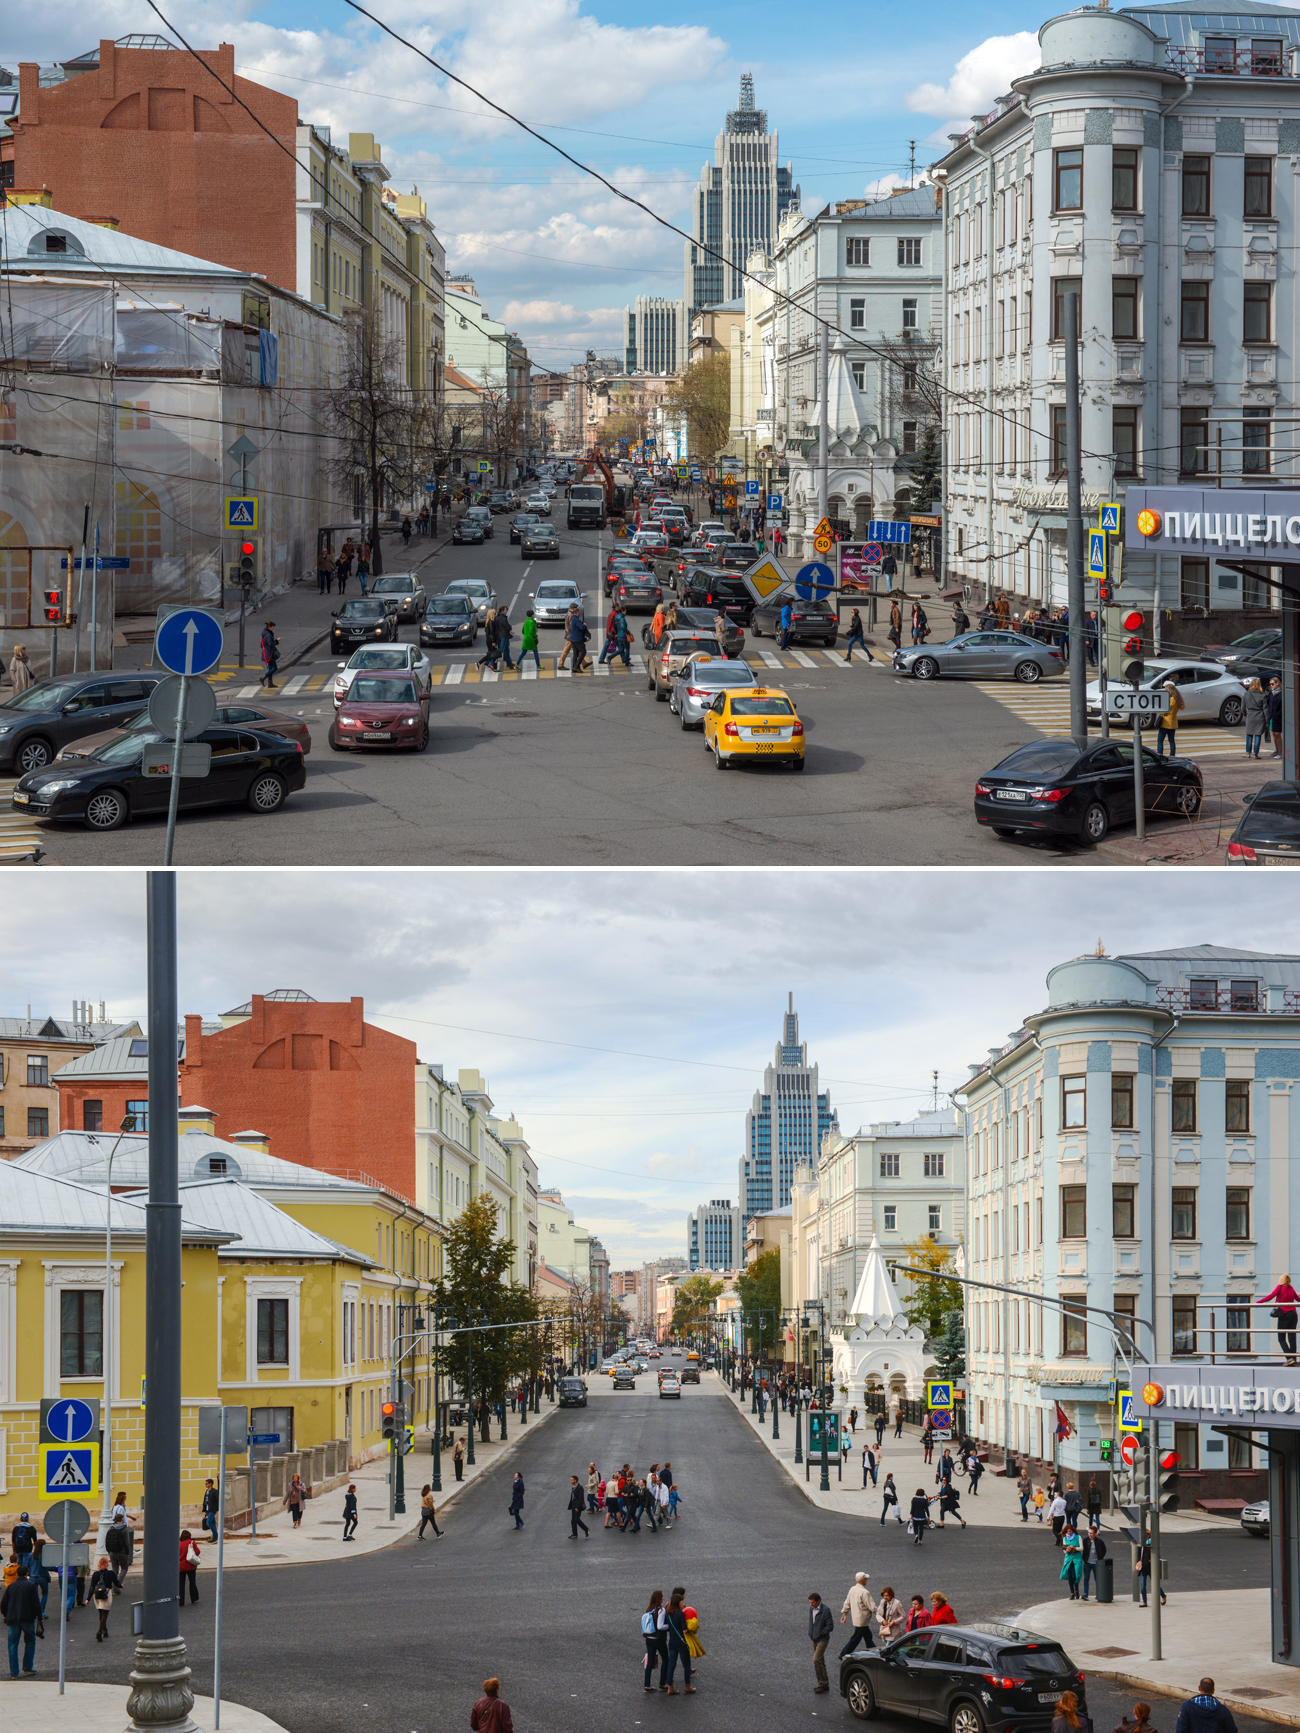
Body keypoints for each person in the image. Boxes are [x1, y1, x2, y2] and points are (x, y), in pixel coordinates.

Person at [2, 1562, 43, 1678]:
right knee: (30, 1641)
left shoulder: (11, 1587)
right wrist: (39, 1617)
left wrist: (5, 1614)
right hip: (27, 1618)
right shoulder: (30, 1586)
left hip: (12, 1618)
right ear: (27, 1574)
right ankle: (27, 1666)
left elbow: (3, 1603)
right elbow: (36, 1604)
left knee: (12, 1645)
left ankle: (14, 1673)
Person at [1258, 1274, 1300, 1364]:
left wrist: (1259, 1302)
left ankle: (1289, 1358)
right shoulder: (1291, 1288)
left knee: (1281, 1338)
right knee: (1292, 1337)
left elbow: (1270, 1296)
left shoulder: (1280, 1287)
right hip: (1293, 1314)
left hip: (1284, 1315)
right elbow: (1298, 1299)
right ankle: (1294, 1359)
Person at [664, 1586, 696, 1694]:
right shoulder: (680, 1614)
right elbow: (685, 1630)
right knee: (686, 1664)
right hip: (681, 1642)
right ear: (678, 1603)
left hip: (672, 1642)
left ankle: (670, 1687)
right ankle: (687, 1686)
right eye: (681, 1602)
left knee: (671, 1664)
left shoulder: (669, 1614)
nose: (683, 1604)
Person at [839, 1572, 876, 1656]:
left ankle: (873, 1651)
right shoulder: (864, 1592)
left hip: (856, 1619)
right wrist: (880, 1615)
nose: (867, 1580)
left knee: (868, 1636)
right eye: (866, 1578)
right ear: (863, 1580)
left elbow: (847, 1603)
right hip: (863, 1619)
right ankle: (843, 1654)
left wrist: (844, 1614)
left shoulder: (852, 1589)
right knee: (856, 1638)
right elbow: (872, 1607)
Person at [89, 1555, 120, 1642]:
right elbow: (116, 1583)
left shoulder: (95, 1574)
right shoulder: (111, 1573)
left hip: (97, 1595)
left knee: (100, 1613)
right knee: (105, 1614)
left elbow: (92, 1587)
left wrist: (88, 1598)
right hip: (106, 1593)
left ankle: (105, 1630)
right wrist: (121, 1586)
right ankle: (99, 1632)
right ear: (106, 1564)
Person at [642, 1589, 668, 1691]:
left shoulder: (649, 1609)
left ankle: (647, 1684)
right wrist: (669, 1626)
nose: (663, 1598)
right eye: (662, 1596)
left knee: (650, 1661)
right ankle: (662, 1683)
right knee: (666, 1659)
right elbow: (660, 1626)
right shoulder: (661, 1610)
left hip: (649, 1638)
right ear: (659, 1599)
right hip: (658, 1639)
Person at [807, 1592, 833, 1694]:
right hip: (815, 1638)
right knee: (821, 1661)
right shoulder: (811, 1609)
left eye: (813, 1602)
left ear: (818, 1601)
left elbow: (830, 1626)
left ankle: (821, 1684)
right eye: (810, 1602)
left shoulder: (825, 1611)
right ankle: (825, 1683)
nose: (811, 1604)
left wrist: (820, 1633)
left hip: (822, 1639)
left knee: (816, 1659)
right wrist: (812, 1633)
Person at [1156, 678, 1184, 760]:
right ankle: (1172, 754)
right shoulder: (1177, 700)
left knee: (1160, 740)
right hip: (1173, 723)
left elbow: (1165, 712)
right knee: (1171, 740)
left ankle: (1160, 755)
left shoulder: (1170, 700)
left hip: (1165, 723)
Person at [1081, 1523, 1107, 1600]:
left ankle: (1099, 1594)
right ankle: (1085, 1593)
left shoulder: (1099, 1542)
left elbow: (1104, 1550)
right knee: (1086, 1578)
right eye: (1089, 1533)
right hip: (1087, 1562)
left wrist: (1100, 1558)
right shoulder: (1085, 1540)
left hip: (1096, 1563)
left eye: (1092, 1533)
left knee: (1098, 1579)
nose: (1090, 1535)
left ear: (1096, 1533)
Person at [1138, 1537, 1166, 1608]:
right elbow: (1139, 1555)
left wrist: (1151, 1560)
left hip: (1151, 1568)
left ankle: (1163, 1595)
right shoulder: (1141, 1545)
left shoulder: (1152, 1544)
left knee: (1155, 1584)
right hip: (1144, 1567)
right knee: (1142, 1585)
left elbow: (1157, 1555)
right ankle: (1144, 1601)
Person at [1244, 679, 1267, 758]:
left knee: (1249, 735)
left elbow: (1242, 707)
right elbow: (1266, 710)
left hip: (1250, 716)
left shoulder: (1246, 694)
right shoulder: (1262, 695)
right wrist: (1267, 720)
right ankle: (1255, 754)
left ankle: (1247, 753)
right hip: (1260, 716)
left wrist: (1246, 714)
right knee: (1258, 735)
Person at [105, 1511, 133, 1579]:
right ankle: (118, 1584)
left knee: (115, 1570)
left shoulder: (111, 1528)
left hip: (112, 1552)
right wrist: (127, 1552)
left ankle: (114, 1586)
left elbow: (107, 1541)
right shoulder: (124, 1529)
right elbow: (127, 1542)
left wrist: (109, 1551)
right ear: (122, 1519)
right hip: (121, 1552)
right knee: (124, 1568)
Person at [178, 1529, 200, 1605]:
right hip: (190, 1565)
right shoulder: (192, 1542)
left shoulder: (179, 1544)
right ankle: (194, 1598)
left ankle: (181, 1601)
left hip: (180, 1566)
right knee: (192, 1582)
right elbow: (197, 1552)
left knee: (181, 1584)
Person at [1060, 1528, 1083, 1600]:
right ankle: (1072, 1593)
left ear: (1073, 1531)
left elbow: (1081, 1548)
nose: (1069, 1533)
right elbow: (1064, 1550)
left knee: (1075, 1575)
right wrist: (1067, 1550)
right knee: (1069, 1576)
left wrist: (1074, 1548)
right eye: (1068, 1531)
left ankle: (1076, 1590)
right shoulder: (1064, 1538)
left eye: (1070, 1531)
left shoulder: (1078, 1537)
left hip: (1077, 1557)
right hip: (1068, 1558)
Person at [517, 609, 541, 675]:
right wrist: (535, 635)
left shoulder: (525, 621)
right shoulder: (532, 622)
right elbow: (531, 631)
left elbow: (522, 630)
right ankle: (538, 666)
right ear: (532, 615)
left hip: (526, 639)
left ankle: (517, 664)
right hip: (531, 640)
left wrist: (526, 635)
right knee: (535, 652)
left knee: (523, 653)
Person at [260, 620, 280, 690]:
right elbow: (270, 644)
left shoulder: (264, 634)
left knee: (270, 668)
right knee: (274, 668)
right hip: (270, 654)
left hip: (266, 653)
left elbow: (261, 645)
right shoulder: (268, 635)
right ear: (270, 627)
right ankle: (263, 677)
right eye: (273, 627)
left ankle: (270, 683)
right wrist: (277, 641)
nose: (274, 628)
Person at [1268, 676, 1284, 758]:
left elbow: (1283, 707)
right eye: (1270, 684)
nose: (1271, 685)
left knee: (1278, 734)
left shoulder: (1281, 693)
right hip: (1272, 716)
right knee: (1273, 733)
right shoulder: (1271, 692)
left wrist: (1278, 714)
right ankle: (1277, 750)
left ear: (1277, 683)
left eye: (1272, 684)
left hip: (1278, 717)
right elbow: (1269, 703)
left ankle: (1280, 752)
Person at [201, 1478, 219, 1543]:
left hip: (212, 1509)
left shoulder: (215, 1491)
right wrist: (205, 1510)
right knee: (213, 1523)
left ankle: (216, 1536)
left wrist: (217, 1509)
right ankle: (215, 1538)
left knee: (208, 1523)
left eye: (206, 1483)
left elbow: (217, 1501)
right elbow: (205, 1501)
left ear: (210, 1484)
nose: (205, 1484)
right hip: (208, 1509)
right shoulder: (207, 1491)